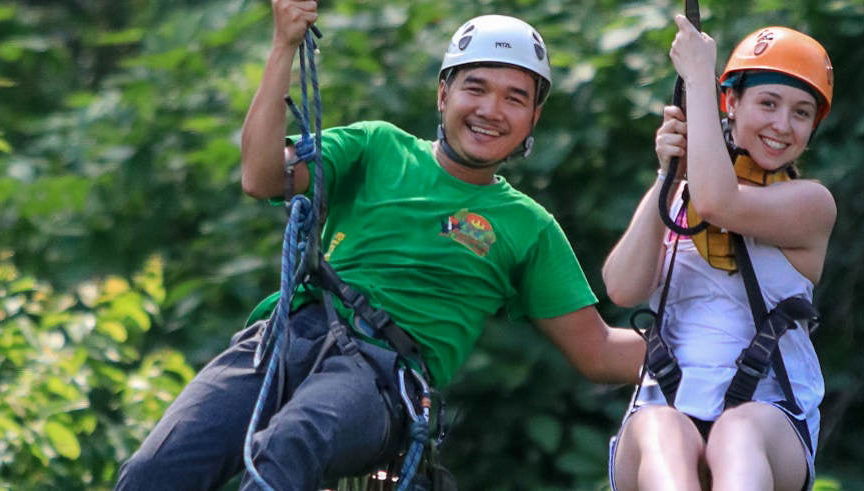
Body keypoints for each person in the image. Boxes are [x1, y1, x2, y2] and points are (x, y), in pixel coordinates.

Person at [115, 1, 645, 490]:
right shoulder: (376, 147)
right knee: (154, 470)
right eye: (475, 88)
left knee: (287, 448)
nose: (491, 110)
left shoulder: (528, 227)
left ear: (533, 118)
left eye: (515, 98)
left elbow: (596, 350)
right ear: (444, 94)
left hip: (383, 378)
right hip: (287, 336)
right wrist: (282, 46)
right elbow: (260, 175)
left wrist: (710, 348)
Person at [603, 14, 835, 491]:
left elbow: (720, 203)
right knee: (661, 428)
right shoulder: (685, 193)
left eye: (801, 112)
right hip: (664, 406)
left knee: (738, 429)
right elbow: (623, 287)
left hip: (772, 420)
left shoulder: (810, 204)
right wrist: (667, 176)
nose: (782, 125)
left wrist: (697, 80)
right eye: (767, 103)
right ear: (732, 103)